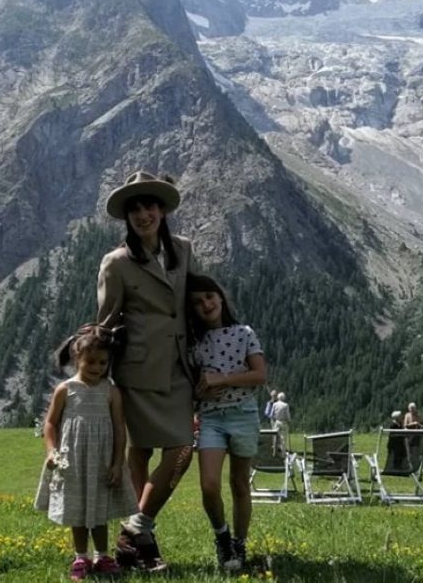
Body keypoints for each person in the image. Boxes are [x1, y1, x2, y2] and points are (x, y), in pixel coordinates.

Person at [97, 171, 197, 572]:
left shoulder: (184, 249)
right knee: (139, 452)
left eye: (150, 205)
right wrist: (95, 378)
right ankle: (143, 547)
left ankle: (135, 527)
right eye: (135, 209)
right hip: (136, 371)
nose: (143, 214)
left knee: (182, 449)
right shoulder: (116, 263)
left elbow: (194, 300)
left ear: (162, 210)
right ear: (127, 217)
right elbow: (106, 322)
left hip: (180, 368)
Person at [34, 324, 136, 581]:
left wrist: (117, 463)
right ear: (76, 357)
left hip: (101, 461)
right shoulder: (65, 389)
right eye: (91, 361)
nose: (97, 367)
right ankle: (81, 556)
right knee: (77, 510)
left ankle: (102, 556)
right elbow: (50, 423)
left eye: (103, 362)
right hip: (73, 460)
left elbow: (119, 428)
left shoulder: (111, 391)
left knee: (100, 510)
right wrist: (51, 452)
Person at [187, 274, 266, 572]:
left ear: (220, 297)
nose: (206, 304)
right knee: (209, 485)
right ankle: (222, 537)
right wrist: (200, 391)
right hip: (210, 417)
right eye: (197, 302)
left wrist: (222, 379)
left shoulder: (244, 333)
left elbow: (260, 375)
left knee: (239, 483)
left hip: (243, 413)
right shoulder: (194, 344)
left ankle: (240, 544)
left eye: (209, 296)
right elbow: (192, 386)